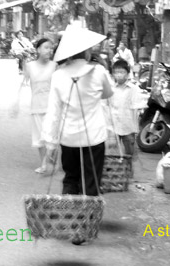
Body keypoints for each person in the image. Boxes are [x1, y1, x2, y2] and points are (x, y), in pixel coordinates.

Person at [42, 26, 113, 197]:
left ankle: (71, 217)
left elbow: (53, 112)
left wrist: (50, 144)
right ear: (87, 51)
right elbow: (108, 94)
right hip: (94, 138)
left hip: (68, 138)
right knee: (92, 180)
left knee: (70, 179)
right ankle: (89, 219)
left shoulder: (58, 76)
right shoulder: (99, 72)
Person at [12, 38, 58, 173]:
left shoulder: (55, 65)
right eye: (46, 47)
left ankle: (49, 161)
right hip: (36, 105)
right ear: (38, 49)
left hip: (52, 106)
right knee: (39, 138)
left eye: (51, 48)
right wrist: (17, 103)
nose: (49, 50)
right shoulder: (30, 65)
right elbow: (23, 84)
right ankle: (44, 163)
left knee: (51, 136)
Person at [108, 59, 143, 158]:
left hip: (128, 127)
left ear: (127, 74)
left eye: (122, 72)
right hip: (114, 126)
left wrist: (136, 128)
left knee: (129, 155)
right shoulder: (111, 89)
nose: (119, 75)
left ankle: (128, 171)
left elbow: (137, 108)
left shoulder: (133, 89)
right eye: (116, 72)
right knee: (113, 155)